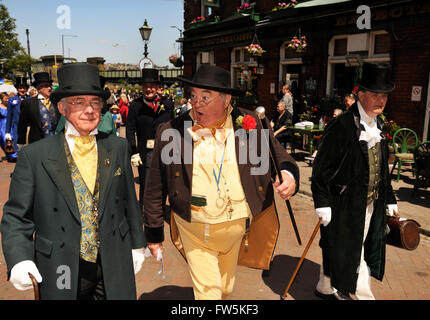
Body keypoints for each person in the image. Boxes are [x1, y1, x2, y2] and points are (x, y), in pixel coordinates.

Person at [143, 65, 300, 300]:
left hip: (237, 228)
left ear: (227, 100)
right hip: (195, 227)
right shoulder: (172, 131)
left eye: (205, 97)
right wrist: (154, 233)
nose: (196, 103)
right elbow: (155, 185)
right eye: (193, 96)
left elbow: (280, 158)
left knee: (225, 290)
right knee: (209, 294)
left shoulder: (250, 123)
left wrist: (289, 176)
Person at [0, 63, 147, 300]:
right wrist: (19, 259)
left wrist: (137, 244)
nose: (89, 110)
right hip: (61, 264)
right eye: (79, 102)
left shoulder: (117, 147)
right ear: (62, 107)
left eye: (95, 103)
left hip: (113, 259)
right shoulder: (35, 156)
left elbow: (129, 201)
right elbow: (17, 216)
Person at [311, 62, 398, 300]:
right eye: (375, 95)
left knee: (343, 247)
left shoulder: (379, 125)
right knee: (351, 250)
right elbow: (321, 169)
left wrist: (389, 197)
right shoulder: (341, 126)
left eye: (384, 95)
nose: (381, 100)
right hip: (343, 203)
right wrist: (322, 202)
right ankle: (363, 295)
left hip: (370, 202)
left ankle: (325, 287)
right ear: (360, 95)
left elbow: (381, 166)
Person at [126, 68, 174, 210]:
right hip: (144, 152)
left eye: (152, 86)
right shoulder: (135, 106)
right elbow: (130, 129)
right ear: (142, 88)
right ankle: (144, 212)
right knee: (146, 184)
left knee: (164, 182)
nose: (149, 89)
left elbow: (174, 128)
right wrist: (133, 151)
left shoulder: (168, 105)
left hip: (165, 151)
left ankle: (159, 208)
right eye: (146, 86)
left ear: (157, 87)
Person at [17, 72, 60, 146]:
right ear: (39, 88)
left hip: (56, 142)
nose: (49, 88)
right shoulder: (28, 103)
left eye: (50, 86)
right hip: (37, 142)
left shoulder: (56, 101)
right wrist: (21, 142)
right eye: (46, 86)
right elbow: (22, 124)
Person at [5, 77, 29, 162]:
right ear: (17, 89)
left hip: (29, 129)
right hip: (17, 130)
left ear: (27, 89)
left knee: (29, 151)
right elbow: (9, 117)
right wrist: (7, 132)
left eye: (24, 88)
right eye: (20, 88)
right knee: (19, 151)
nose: (22, 90)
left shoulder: (31, 99)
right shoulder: (12, 100)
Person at [0, 92, 9, 160]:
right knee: (4, 140)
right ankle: (9, 154)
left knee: (11, 140)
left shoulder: (11, 106)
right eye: (5, 99)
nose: (7, 100)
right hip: (2, 125)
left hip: (10, 125)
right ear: (1, 99)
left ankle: (13, 156)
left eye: (8, 98)